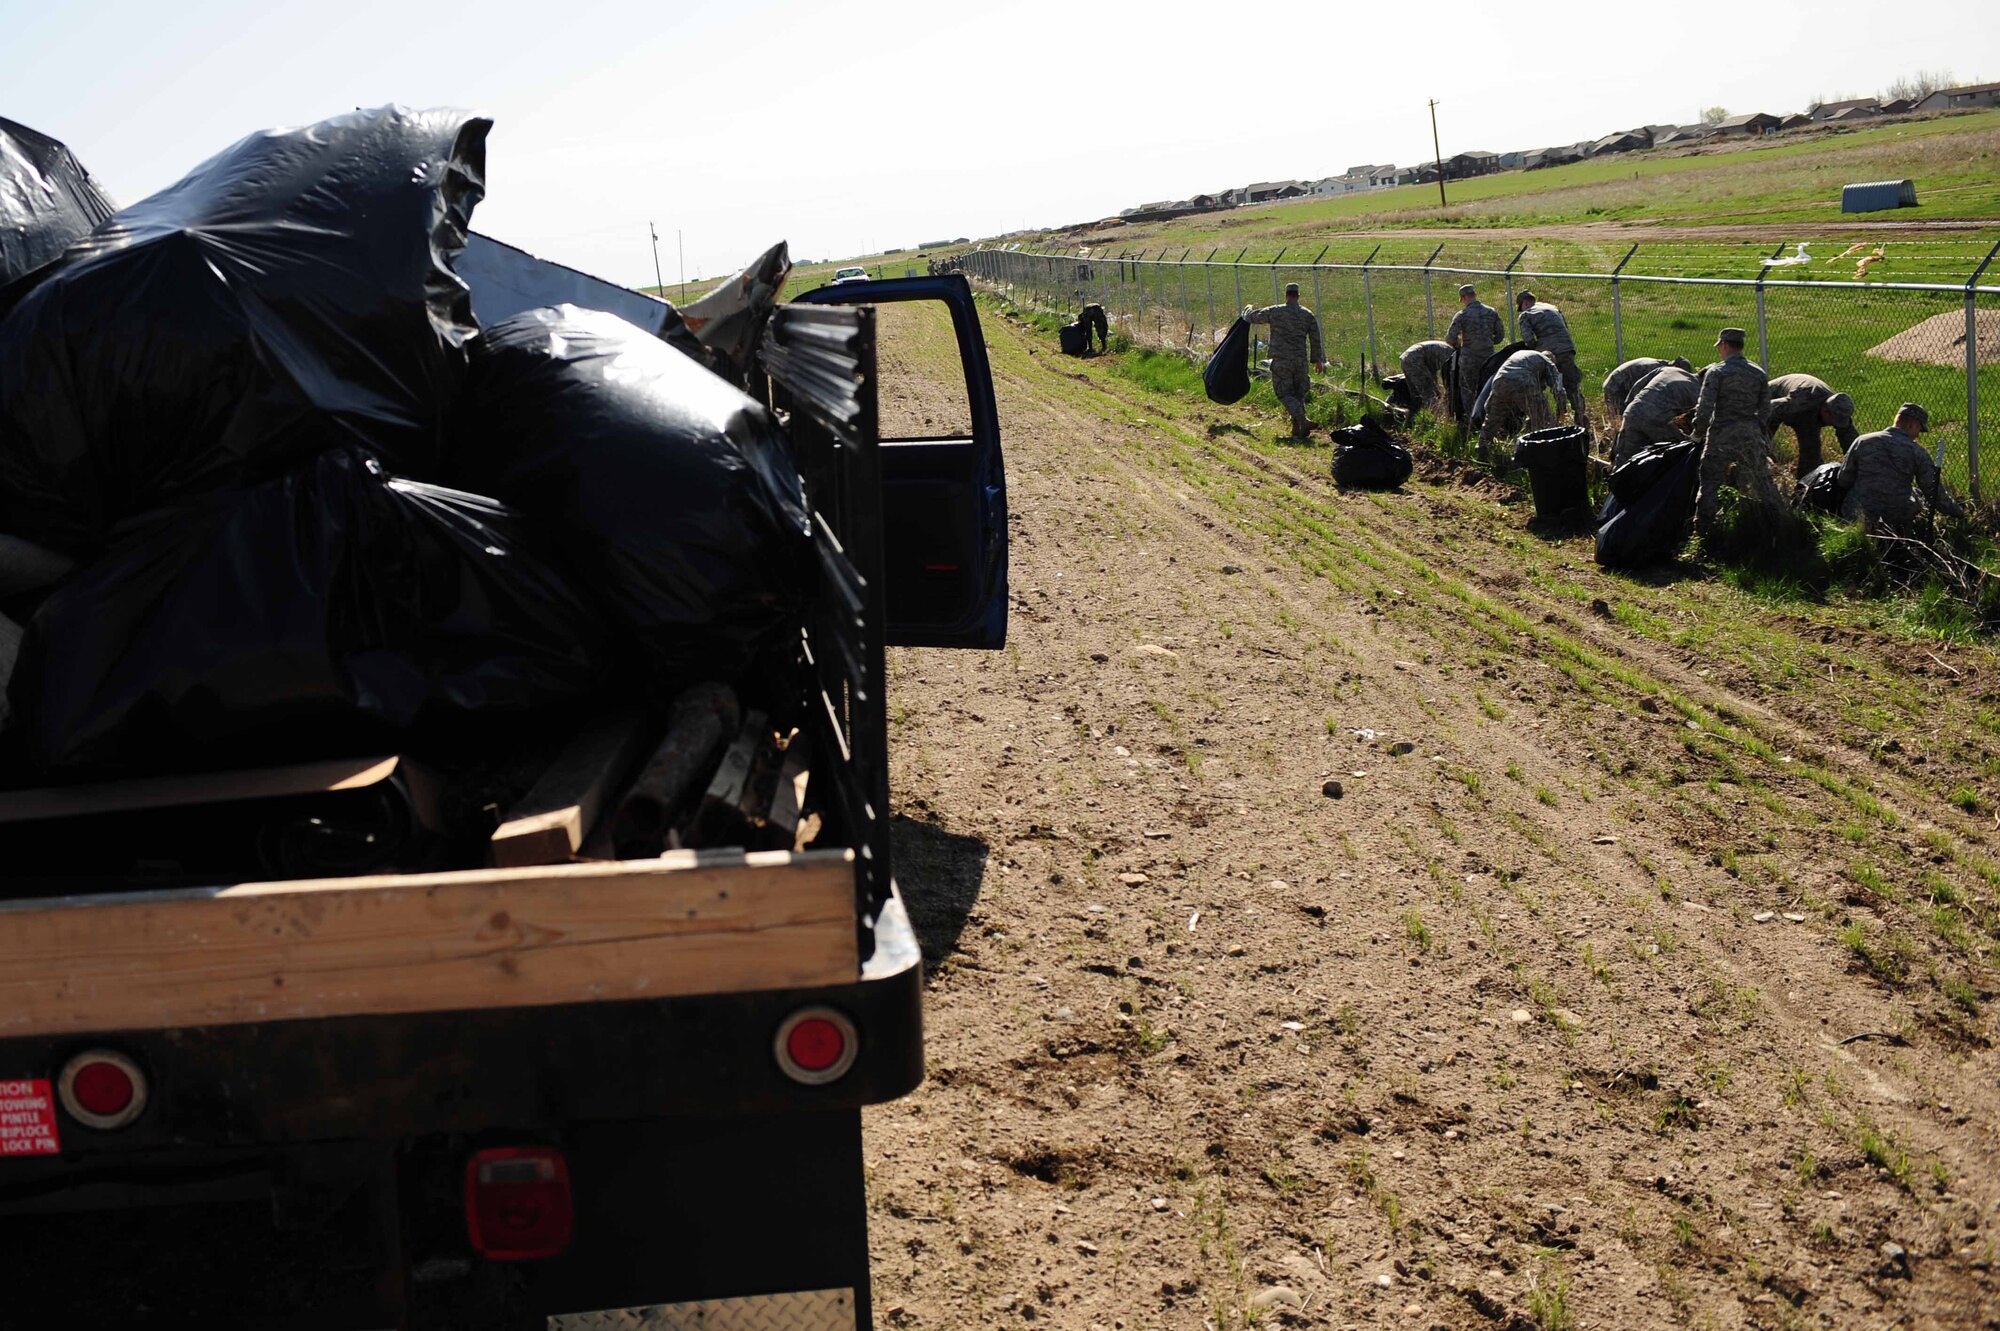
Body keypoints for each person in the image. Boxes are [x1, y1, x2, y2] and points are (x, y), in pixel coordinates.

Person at [1690, 327, 1784, 536]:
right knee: (1761, 481)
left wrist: (1698, 431)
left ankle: (1703, 531)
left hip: (1721, 434)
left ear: (1724, 345)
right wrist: (1757, 427)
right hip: (1750, 434)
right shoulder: (1758, 372)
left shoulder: (1717, 372)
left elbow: (1705, 407)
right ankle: (1779, 523)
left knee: (1710, 482)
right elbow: (1766, 408)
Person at [1839, 402, 1963, 531]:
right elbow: (1933, 491)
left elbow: (1843, 479)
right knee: (1916, 494)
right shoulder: (1917, 451)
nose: (1918, 435)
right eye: (1919, 429)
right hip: (1895, 519)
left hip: (1856, 514)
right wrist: (1958, 513)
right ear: (1912, 424)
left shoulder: (1862, 441)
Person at [1243, 283, 1326, 438]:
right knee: (1298, 394)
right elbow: (1315, 338)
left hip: (1282, 360)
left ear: (1286, 296)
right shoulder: (1307, 315)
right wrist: (1318, 360)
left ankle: (1302, 420)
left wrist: (1247, 310)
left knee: (1284, 393)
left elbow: (1252, 317)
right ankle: (1298, 429)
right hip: (1300, 361)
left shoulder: (1276, 311)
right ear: (1298, 296)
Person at [1765, 373, 1858, 479]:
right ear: (1825, 411)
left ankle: (1804, 487)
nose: (1834, 424)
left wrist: (1857, 463)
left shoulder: (1839, 407)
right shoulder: (1800, 402)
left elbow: (1850, 440)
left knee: (1811, 455)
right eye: (1833, 420)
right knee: (1759, 445)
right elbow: (1768, 408)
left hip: (1808, 414)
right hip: (1771, 396)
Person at [1514, 291, 1587, 425]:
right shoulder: (1553, 308)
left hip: (1548, 354)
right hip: (1566, 349)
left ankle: (1552, 418)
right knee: (1572, 385)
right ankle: (1581, 416)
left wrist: (1535, 349)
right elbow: (1565, 327)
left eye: (1521, 307)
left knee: (1550, 384)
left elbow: (1528, 339)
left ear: (1525, 303)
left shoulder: (1526, 315)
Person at [1476, 348, 1566, 454]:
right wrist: (1561, 408)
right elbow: (1558, 388)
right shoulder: (1548, 362)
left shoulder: (1524, 355)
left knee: (1492, 419)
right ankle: (1545, 452)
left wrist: (1491, 409)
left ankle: (1482, 447)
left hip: (1500, 381)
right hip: (1523, 382)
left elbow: (1489, 407)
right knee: (1544, 420)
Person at [1612, 365, 1701, 467]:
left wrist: (1630, 406)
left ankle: (1616, 480)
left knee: (1624, 458)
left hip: (1633, 412)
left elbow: (1637, 386)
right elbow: (1702, 418)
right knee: (1684, 450)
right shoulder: (1697, 390)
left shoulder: (1669, 369)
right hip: (1657, 419)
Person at [1445, 284, 1504, 422]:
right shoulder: (1491, 312)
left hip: (1469, 359)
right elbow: (1500, 335)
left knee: (1468, 390)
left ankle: (1473, 421)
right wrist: (1488, 342)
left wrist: (1459, 345)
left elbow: (1449, 338)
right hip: (1488, 358)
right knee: (1488, 389)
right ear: (1474, 294)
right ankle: (1490, 420)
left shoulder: (1462, 315)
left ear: (1464, 297)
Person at [1602, 356, 1692, 421]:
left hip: (1625, 385)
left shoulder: (1662, 366)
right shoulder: (1656, 370)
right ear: (1675, 367)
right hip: (1616, 387)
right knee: (1621, 419)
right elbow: (1643, 391)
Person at [1398, 339, 1455, 413]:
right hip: (1416, 360)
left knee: (1416, 395)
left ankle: (1414, 417)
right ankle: (1436, 416)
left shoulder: (1447, 349)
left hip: (1407, 357)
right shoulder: (1452, 355)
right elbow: (1448, 377)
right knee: (1429, 393)